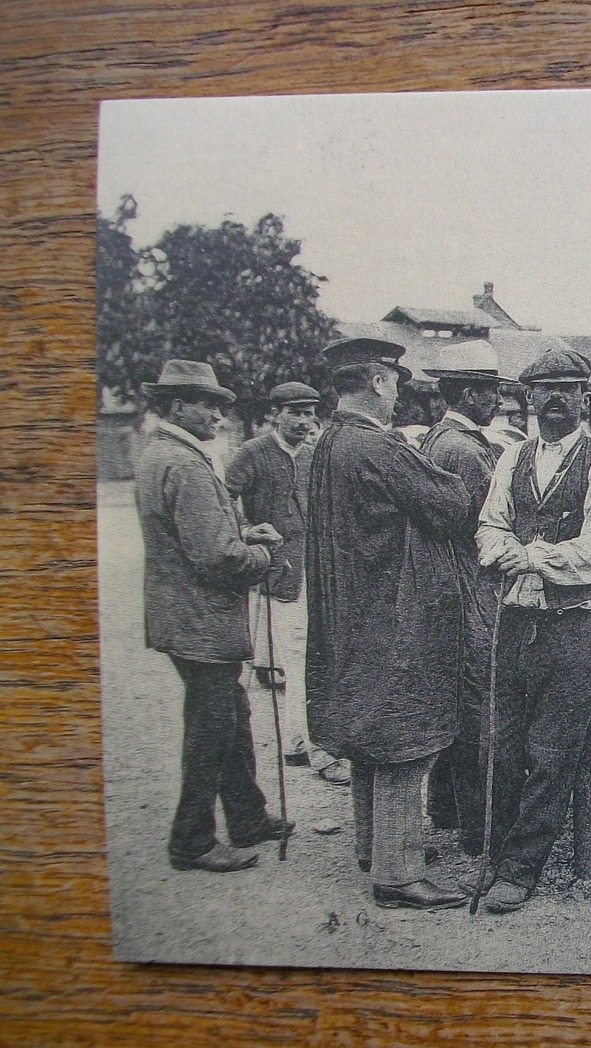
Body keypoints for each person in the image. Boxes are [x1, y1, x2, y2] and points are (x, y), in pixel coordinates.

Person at [305, 336, 471, 911]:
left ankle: (374, 849)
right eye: (396, 381)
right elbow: (450, 508)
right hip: (394, 611)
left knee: (370, 734)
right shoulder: (379, 447)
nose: (401, 392)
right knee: (405, 736)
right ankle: (398, 875)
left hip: (355, 612)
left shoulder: (331, 441)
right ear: (377, 381)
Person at [472, 346, 591, 915]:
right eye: (545, 390)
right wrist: (505, 554)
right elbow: (489, 526)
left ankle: (520, 869)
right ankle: (494, 853)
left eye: (568, 389)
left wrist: (534, 557)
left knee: (550, 752)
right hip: (516, 621)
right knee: (503, 741)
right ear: (528, 399)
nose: (556, 401)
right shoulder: (511, 459)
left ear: (584, 398)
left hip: (574, 625)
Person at [134, 360, 295, 872]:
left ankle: (247, 816)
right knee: (210, 728)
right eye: (209, 405)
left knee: (231, 716)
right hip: (200, 619)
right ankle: (193, 841)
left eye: (222, 406)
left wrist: (245, 534)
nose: (220, 416)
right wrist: (261, 557)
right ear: (177, 405)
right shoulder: (183, 462)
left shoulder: (165, 453)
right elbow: (215, 557)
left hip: (186, 615)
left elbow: (195, 538)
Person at [224, 381, 350, 787]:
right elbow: (222, 500)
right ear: (275, 413)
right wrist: (245, 530)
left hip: (321, 570)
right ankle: (319, 751)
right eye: (295, 412)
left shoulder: (317, 455)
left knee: (315, 659)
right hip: (281, 575)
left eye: (310, 412)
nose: (304, 421)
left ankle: (297, 741)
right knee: (299, 662)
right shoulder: (252, 454)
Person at [419, 339, 506, 855]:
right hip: (475, 585)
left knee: (454, 702)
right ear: (470, 393)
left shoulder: (438, 438)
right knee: (480, 706)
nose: (497, 402)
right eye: (491, 392)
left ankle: (446, 806)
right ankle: (481, 826)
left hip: (447, 587)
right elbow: (486, 526)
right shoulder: (468, 451)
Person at [487, 384, 529, 450]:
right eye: (510, 413)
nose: (519, 415)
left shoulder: (518, 436)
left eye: (520, 412)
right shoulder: (496, 438)